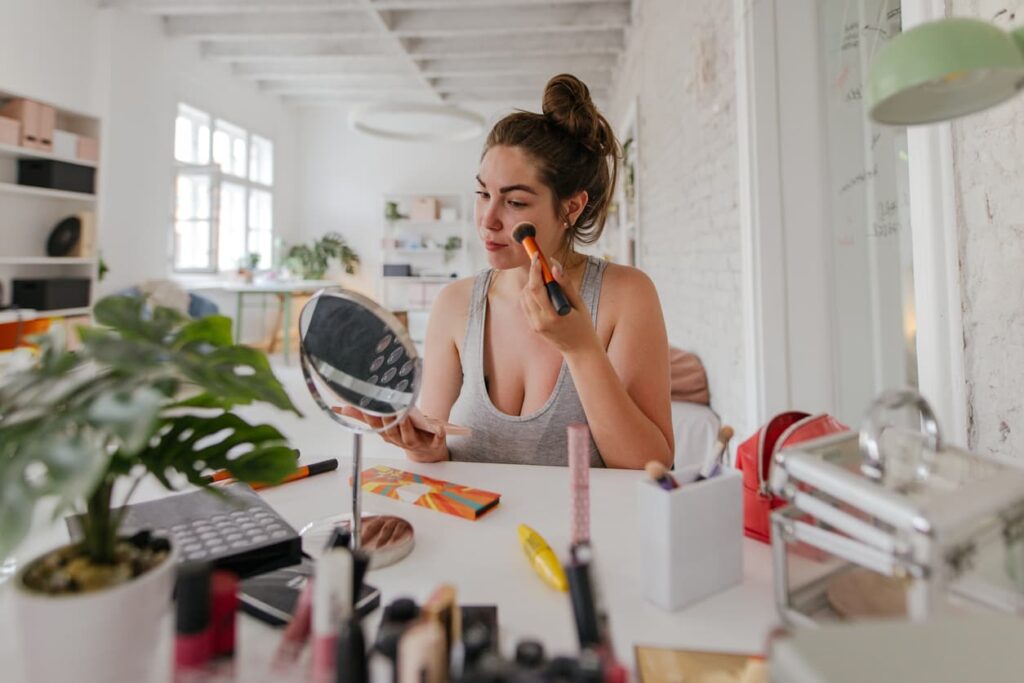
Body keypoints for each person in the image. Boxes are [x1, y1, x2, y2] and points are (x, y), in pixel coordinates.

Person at [352, 74, 673, 469]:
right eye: (483, 194)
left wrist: (581, 348)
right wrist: (422, 446)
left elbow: (650, 467)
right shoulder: (454, 305)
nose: (488, 220)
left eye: (515, 202)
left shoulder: (626, 295)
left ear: (571, 208)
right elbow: (438, 450)